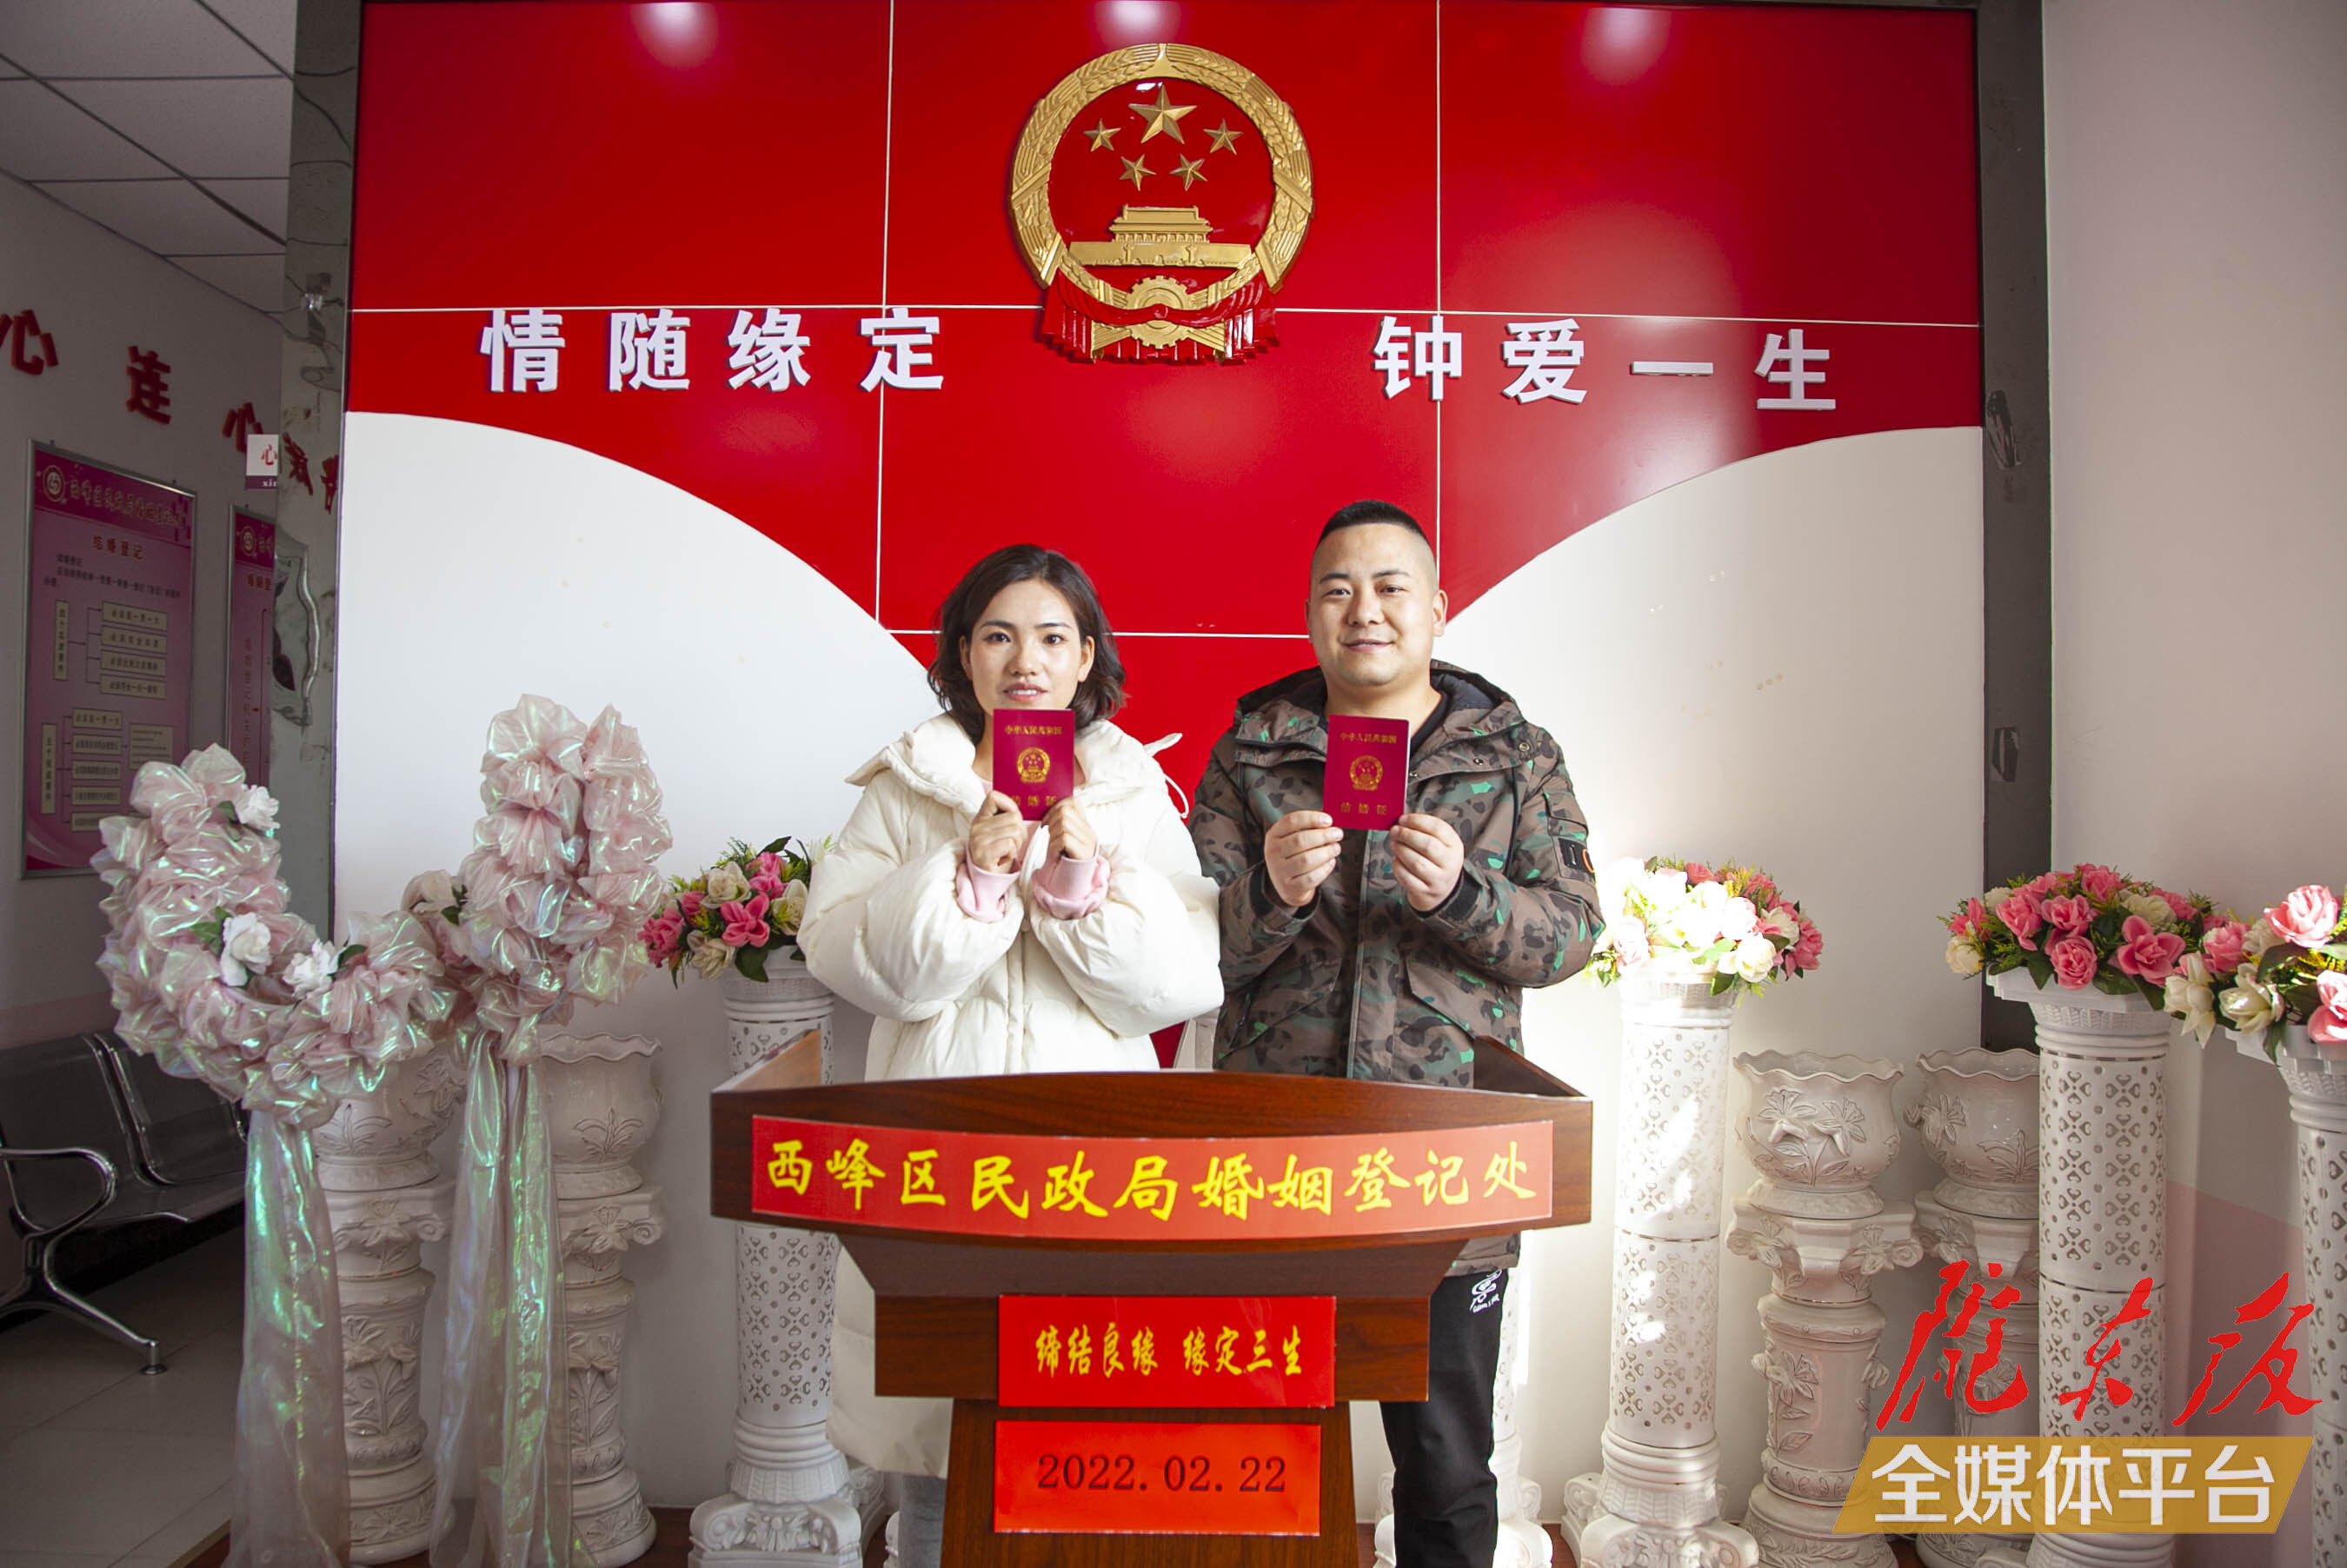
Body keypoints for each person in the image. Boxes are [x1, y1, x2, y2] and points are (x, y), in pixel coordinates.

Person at [1188, 500, 1601, 1568]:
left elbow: (1571, 935)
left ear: (1438, 608)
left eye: (1388, 587)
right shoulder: (1249, 754)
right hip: (1275, 1158)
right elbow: (1181, 956)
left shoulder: (1515, 756)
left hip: (1446, 1161)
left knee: (1448, 1462)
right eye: (1338, 589)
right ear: (1310, 612)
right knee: (1265, 1450)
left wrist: (1465, 895)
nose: (1363, 610)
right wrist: (1270, 894)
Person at [798, 542, 1222, 1567]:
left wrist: (1084, 892)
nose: (1024, 660)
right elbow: (854, 959)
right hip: (939, 1156)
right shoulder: (908, 790)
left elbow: (1183, 979)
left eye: (1050, 637)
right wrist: (969, 880)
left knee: (1078, 1444)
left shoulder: (1130, 794)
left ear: (1086, 659)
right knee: (938, 1452)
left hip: (1093, 1161)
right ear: (963, 656)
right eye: (997, 635)